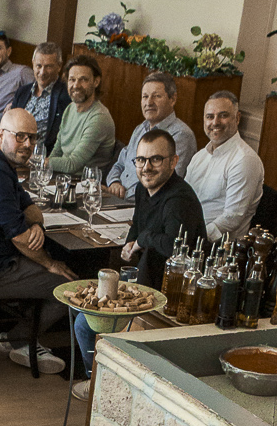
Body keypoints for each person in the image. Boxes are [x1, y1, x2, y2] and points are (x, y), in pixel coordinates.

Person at [71, 130, 207, 400]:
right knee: (83, 318)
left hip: (172, 293)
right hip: (144, 277)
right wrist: (131, 242)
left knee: (85, 324)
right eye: (141, 160)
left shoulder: (179, 200)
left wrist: (142, 239)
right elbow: (138, 224)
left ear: (173, 161)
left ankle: (101, 386)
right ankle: (98, 381)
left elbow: (175, 248)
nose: (146, 167)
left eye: (156, 159)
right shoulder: (144, 189)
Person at [0, 107, 71, 369]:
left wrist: (36, 224)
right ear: (0, 134)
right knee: (68, 287)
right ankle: (19, 340)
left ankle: (19, 337)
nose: (27, 144)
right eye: (20, 136)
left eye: (32, 137)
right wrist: (49, 264)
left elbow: (31, 209)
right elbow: (18, 238)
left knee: (54, 261)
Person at [184, 91, 265, 241]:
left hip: (216, 246)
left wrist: (195, 237)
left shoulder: (244, 160)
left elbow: (232, 218)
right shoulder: (199, 157)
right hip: (186, 234)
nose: (215, 122)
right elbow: (182, 199)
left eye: (223, 115)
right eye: (210, 117)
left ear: (237, 118)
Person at [104, 71, 197, 198]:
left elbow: (164, 184)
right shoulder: (140, 129)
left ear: (172, 99)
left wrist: (124, 196)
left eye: (156, 96)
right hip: (118, 199)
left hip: (139, 203)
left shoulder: (181, 135)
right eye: (145, 96)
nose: (149, 102)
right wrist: (114, 182)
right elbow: (120, 164)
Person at [48, 54, 116, 176]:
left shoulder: (99, 118)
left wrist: (40, 162)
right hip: (62, 177)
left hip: (84, 182)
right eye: (72, 79)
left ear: (96, 82)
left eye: (83, 79)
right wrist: (44, 168)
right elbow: (57, 150)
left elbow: (72, 164)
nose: (76, 85)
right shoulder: (70, 108)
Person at [9, 43, 70, 150]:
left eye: (48, 67)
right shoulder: (22, 92)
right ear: (33, 64)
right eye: (39, 66)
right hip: (14, 150)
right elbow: (10, 125)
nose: (42, 72)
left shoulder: (65, 96)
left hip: (41, 155)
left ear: (59, 66)